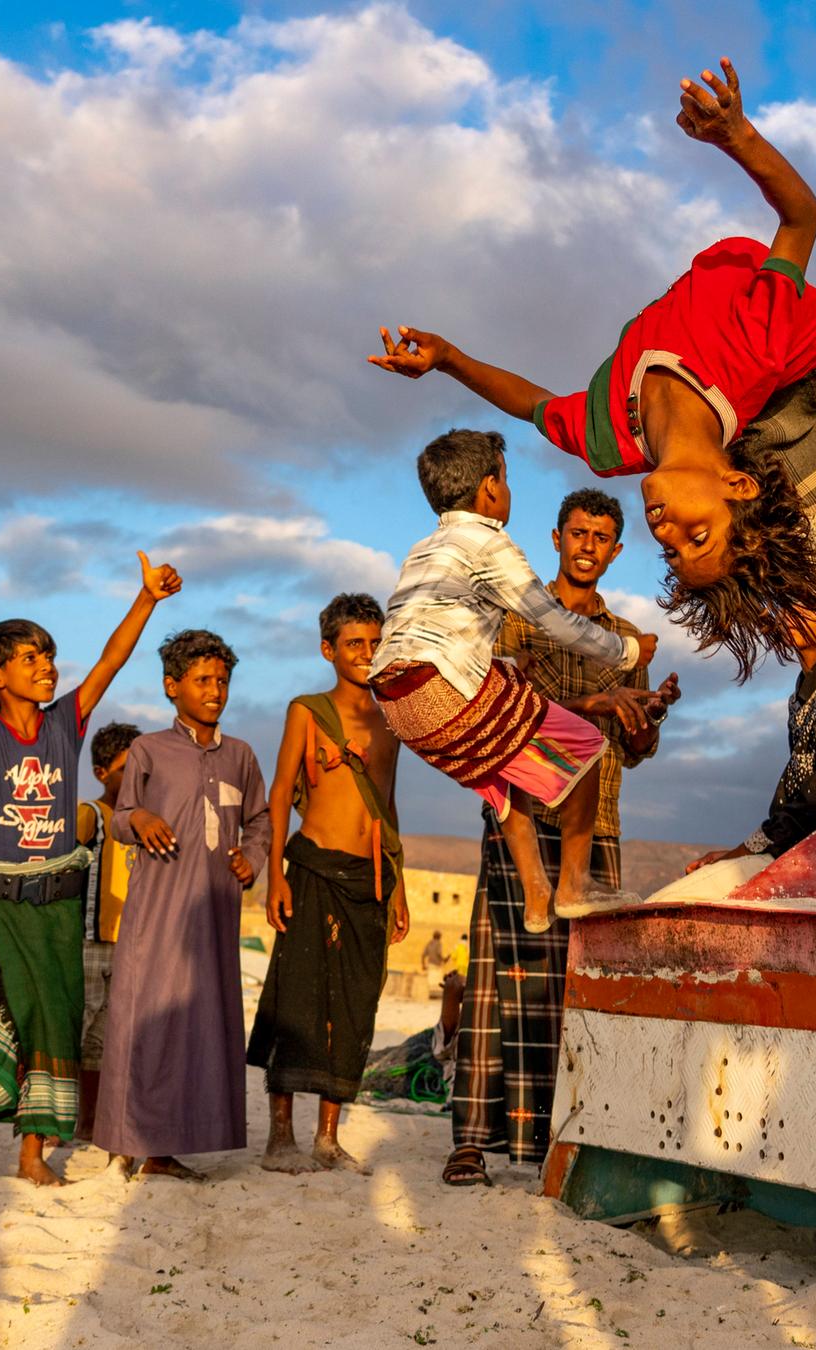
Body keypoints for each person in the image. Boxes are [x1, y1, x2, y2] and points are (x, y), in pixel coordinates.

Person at [369, 57, 816, 688]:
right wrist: (736, 135)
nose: (667, 531)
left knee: (792, 493)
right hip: (810, 367)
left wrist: (450, 360)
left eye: (671, 548)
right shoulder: (757, 345)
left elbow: (534, 405)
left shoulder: (610, 444)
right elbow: (801, 217)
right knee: (795, 431)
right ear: (735, 487)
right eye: (697, 534)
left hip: (745, 393)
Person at [444, 489, 678, 1188]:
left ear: (614, 550)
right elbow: (496, 705)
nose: (587, 545)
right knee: (493, 982)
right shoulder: (516, 621)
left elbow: (637, 750)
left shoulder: (629, 637)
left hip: (595, 823)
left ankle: (565, 1142)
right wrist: (596, 703)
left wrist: (645, 716)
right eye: (578, 532)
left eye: (601, 536)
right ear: (555, 537)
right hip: (520, 818)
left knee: (580, 987)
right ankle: (471, 1142)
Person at [0, 549, 182, 1202]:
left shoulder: (65, 725)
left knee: (54, 1022)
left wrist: (147, 600)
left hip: (56, 906)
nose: (46, 666)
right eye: (30, 658)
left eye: (48, 657)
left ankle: (31, 1151)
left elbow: (110, 660)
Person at [368, 429, 651, 936]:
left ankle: (537, 896)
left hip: (397, 700)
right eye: (508, 476)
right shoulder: (489, 543)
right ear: (491, 487)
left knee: (505, 770)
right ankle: (572, 887)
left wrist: (506, 666)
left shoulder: (423, 549)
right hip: (442, 686)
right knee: (586, 750)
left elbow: (425, 628)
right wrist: (628, 650)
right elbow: (554, 621)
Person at [100, 629, 272, 1181]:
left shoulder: (241, 756)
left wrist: (253, 858)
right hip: (158, 917)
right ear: (172, 687)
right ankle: (127, 1142)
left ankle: (167, 1149)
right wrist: (141, 819)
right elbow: (122, 816)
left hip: (215, 917)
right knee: (145, 1021)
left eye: (222, 680)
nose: (215, 690)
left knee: (200, 1026)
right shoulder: (149, 749)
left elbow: (261, 821)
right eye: (202, 680)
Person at [246, 592, 406, 1175]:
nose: (365, 653)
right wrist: (275, 881)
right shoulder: (307, 711)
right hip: (312, 869)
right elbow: (281, 791)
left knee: (357, 1001)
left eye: (373, 642)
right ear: (328, 650)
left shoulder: (394, 717)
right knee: (299, 995)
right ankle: (280, 1137)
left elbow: (387, 804)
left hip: (371, 877)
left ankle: (328, 1138)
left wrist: (400, 885)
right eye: (353, 644)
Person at [691, 611, 816, 874]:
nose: (789, 612)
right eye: (787, 603)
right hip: (810, 857)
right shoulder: (804, 692)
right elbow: (796, 806)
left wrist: (743, 853)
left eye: (805, 603)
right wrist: (745, 854)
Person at [76, 721, 142, 1143]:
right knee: (73, 1032)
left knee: (102, 1041)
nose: (135, 779)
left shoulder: (143, 824)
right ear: (102, 773)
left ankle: (90, 1120)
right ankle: (52, 1120)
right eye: (125, 770)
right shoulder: (91, 815)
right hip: (87, 940)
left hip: (127, 945)